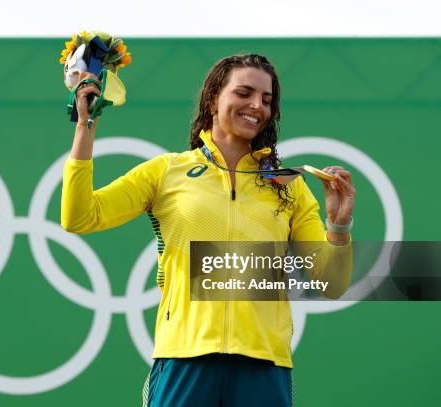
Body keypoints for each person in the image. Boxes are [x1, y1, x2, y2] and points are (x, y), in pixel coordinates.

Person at [61, 54, 355, 407]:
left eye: (266, 99)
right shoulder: (167, 171)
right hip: (184, 358)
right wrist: (84, 127)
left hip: (264, 364)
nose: (256, 106)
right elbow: (79, 216)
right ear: (213, 98)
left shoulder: (288, 185)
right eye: (244, 93)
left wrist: (339, 225)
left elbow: (332, 283)